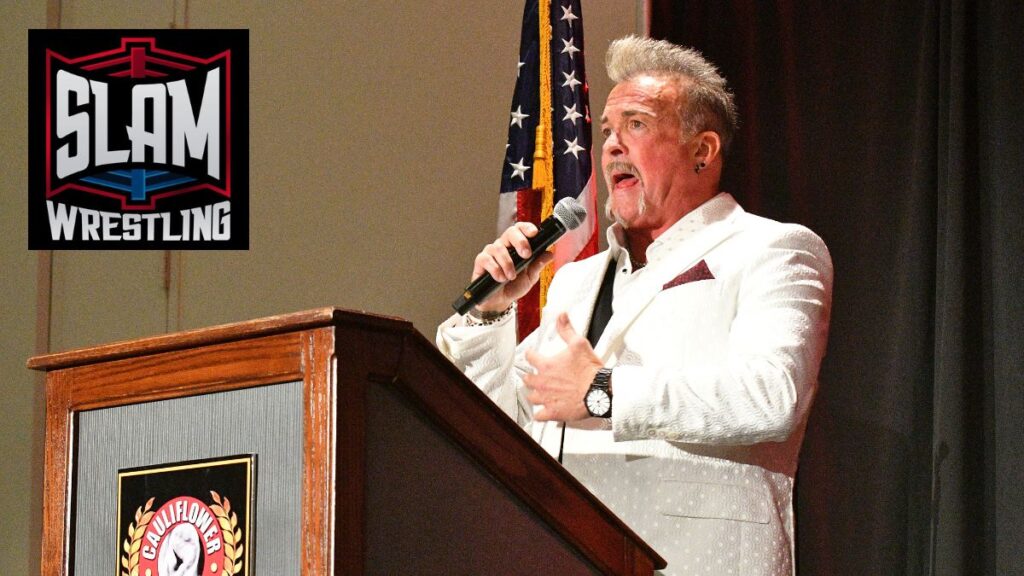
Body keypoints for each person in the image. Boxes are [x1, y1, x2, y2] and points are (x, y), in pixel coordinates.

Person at [437, 35, 832, 576]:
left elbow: (771, 395)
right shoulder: (577, 279)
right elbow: (508, 426)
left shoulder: (773, 249)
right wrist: (489, 315)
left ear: (703, 150)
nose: (612, 146)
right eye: (606, 132)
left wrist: (602, 392)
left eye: (637, 125)